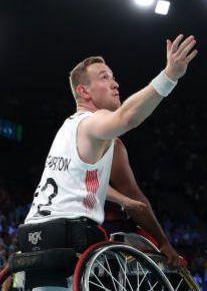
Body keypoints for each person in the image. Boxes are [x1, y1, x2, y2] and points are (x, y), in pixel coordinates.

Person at [16, 35, 197, 289]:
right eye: (104, 77)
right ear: (83, 91)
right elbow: (127, 118)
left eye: (112, 77)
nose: (115, 83)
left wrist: (121, 200)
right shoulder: (92, 122)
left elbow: (112, 193)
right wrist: (169, 76)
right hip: (70, 240)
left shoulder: (69, 130)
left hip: (30, 240)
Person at [103, 138, 184, 267]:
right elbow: (134, 198)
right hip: (105, 233)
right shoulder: (109, 145)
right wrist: (163, 242)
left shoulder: (66, 136)